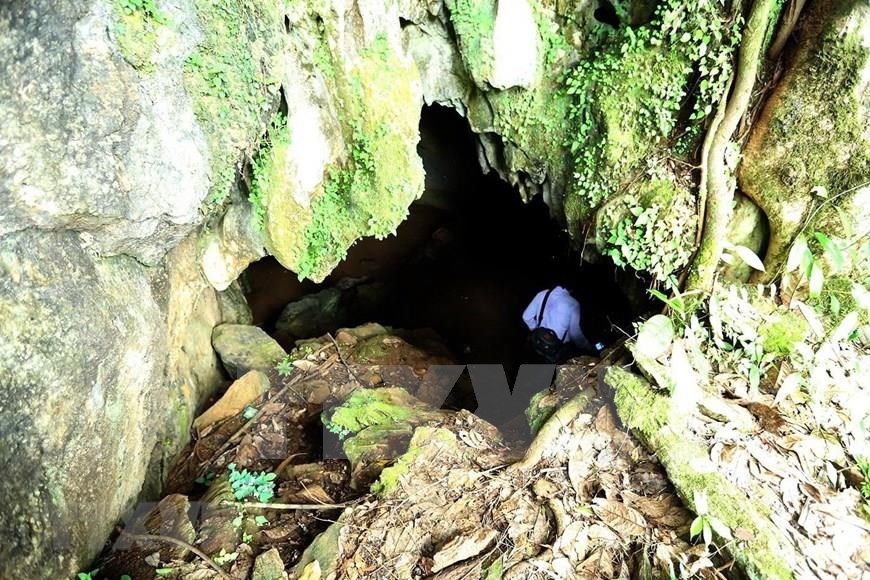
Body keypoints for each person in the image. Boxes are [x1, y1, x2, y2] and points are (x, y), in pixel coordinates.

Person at [522, 286, 600, 363]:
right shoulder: (573, 303)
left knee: (534, 372)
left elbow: (526, 317)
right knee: (556, 373)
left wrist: (538, 333)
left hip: (537, 345)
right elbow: (575, 335)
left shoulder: (543, 294)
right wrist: (588, 347)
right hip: (555, 351)